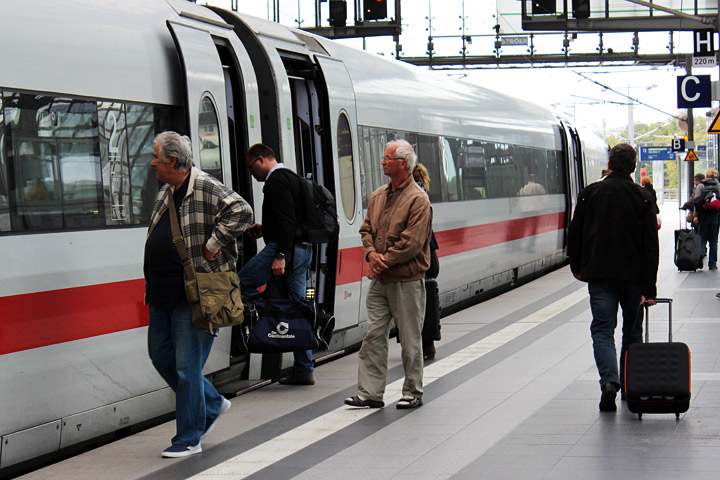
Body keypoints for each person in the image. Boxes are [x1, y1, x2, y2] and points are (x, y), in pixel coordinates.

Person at [144, 131, 254, 458]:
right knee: (159, 354)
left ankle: (189, 438)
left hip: (195, 296)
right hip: (162, 294)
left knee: (186, 368)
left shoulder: (203, 185)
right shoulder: (167, 191)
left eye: (156, 157)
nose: (152, 163)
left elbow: (242, 211)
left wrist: (212, 245)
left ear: (173, 162)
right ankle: (212, 402)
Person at [567, 143, 659, 412]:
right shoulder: (642, 196)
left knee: (602, 330)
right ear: (633, 166)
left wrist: (577, 266)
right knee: (632, 332)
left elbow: (575, 233)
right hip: (633, 278)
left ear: (609, 162)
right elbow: (651, 245)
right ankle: (630, 388)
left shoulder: (590, 193)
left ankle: (609, 381)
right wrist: (649, 288)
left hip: (599, 274)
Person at [345, 139, 433, 410]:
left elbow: (412, 243)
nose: (382, 162)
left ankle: (412, 391)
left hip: (406, 280)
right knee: (373, 335)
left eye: (387, 158)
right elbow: (366, 230)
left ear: (403, 164)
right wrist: (372, 254)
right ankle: (370, 393)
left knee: (409, 338)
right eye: (383, 157)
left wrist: (383, 261)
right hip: (380, 280)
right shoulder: (378, 195)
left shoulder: (418, 199)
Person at [239, 143, 316, 385]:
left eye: (252, 169)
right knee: (296, 306)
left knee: (240, 283)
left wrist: (280, 255)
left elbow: (288, 221)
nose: (252, 174)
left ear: (261, 160)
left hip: (287, 250)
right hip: (301, 249)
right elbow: (290, 218)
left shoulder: (276, 181)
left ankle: (268, 318)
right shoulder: (292, 177)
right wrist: (265, 229)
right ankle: (304, 368)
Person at [412, 164, 440, 360]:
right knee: (425, 297)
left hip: (420, 255)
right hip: (430, 253)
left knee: (417, 301)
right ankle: (427, 343)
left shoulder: (413, 196)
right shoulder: (423, 194)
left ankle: (423, 344)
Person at [692, 168, 720, 270]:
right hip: (714, 216)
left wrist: (695, 216)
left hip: (703, 216)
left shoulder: (701, 186)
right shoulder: (718, 186)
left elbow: (697, 202)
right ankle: (712, 264)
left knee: (702, 237)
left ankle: (700, 258)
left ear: (706, 176)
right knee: (714, 241)